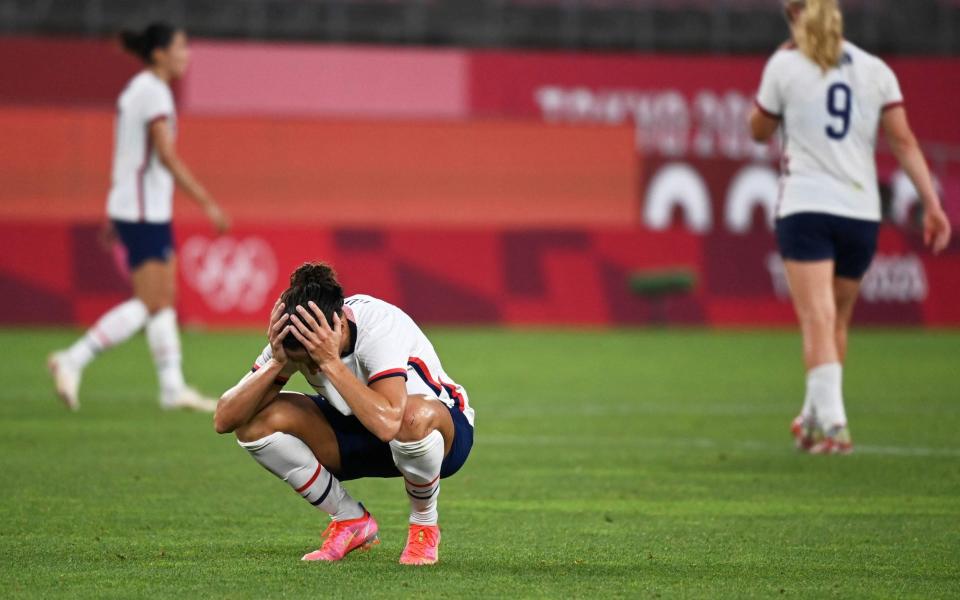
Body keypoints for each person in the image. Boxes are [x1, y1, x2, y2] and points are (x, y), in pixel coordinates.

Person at [748, 0, 952, 454]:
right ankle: (814, 418)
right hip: (860, 212)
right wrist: (933, 204)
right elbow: (904, 140)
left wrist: (765, 106)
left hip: (807, 206)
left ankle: (835, 423)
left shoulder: (785, 63)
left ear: (794, 18)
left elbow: (759, 130)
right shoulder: (874, 69)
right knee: (836, 318)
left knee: (816, 316)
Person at [214, 263, 475, 565]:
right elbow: (224, 419)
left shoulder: (378, 326)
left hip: (439, 437)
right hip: (362, 429)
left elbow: (390, 421)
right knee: (254, 422)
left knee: (409, 418)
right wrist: (277, 362)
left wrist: (330, 363)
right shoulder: (300, 332)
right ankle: (351, 519)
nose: (310, 368)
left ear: (337, 327)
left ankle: (424, 525)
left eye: (312, 359)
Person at [48, 23, 229, 412]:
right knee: (152, 301)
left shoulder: (137, 90)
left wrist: (116, 210)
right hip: (144, 211)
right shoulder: (153, 93)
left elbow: (128, 155)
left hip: (140, 208)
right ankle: (72, 359)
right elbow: (164, 154)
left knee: (164, 299)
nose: (187, 54)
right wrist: (206, 201)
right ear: (160, 53)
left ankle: (172, 387)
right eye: (181, 47)